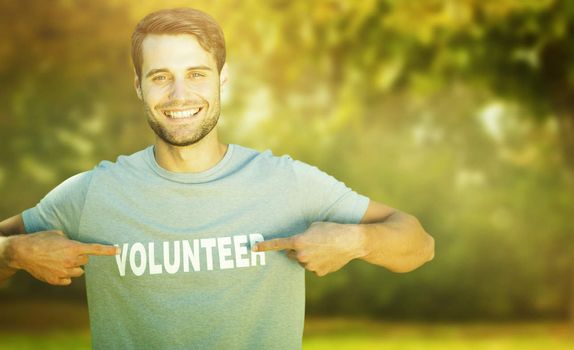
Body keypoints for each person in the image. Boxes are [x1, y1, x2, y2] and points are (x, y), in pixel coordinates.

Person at [0, 7, 434, 349]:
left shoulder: (286, 181)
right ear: (138, 86)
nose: (179, 95)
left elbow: (418, 244)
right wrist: (14, 252)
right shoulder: (94, 192)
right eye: (160, 77)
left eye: (196, 74)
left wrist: (356, 242)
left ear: (222, 80)